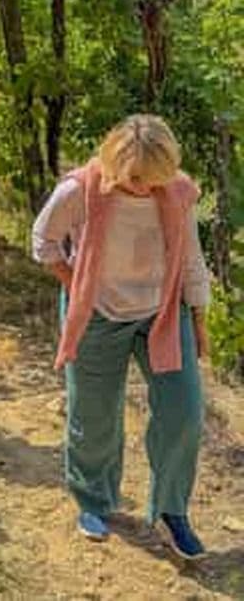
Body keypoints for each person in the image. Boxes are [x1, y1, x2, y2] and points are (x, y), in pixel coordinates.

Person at [32, 114, 211, 560]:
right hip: (98, 314)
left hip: (163, 311)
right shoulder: (80, 190)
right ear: (114, 163)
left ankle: (170, 511)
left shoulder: (178, 191)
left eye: (155, 180)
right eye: (136, 179)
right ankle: (93, 500)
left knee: (185, 412)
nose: (146, 189)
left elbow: (191, 259)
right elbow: (43, 242)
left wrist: (199, 321)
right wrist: (79, 288)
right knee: (94, 414)